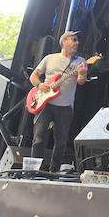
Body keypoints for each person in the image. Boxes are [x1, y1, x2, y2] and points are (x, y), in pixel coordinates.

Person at [30, 30, 87, 171]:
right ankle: (34, 171)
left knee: (61, 141)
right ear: (64, 41)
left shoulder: (80, 62)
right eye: (73, 39)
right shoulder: (50, 58)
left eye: (77, 40)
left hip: (65, 106)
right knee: (39, 139)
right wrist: (39, 85)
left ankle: (53, 172)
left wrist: (82, 74)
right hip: (45, 103)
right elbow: (34, 76)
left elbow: (81, 82)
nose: (77, 42)